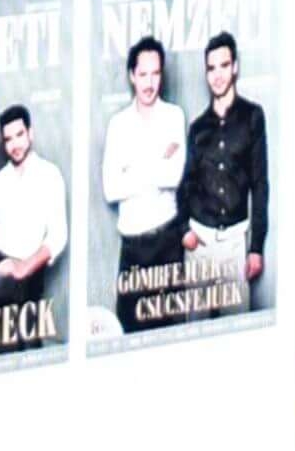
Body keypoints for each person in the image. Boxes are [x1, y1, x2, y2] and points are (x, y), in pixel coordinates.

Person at [99, 34, 189, 307]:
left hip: (167, 241)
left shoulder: (174, 116)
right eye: (143, 74)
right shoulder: (118, 125)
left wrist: (132, 166)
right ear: (131, 76)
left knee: (169, 328)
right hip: (133, 246)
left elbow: (173, 175)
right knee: (128, 327)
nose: (150, 83)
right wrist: (157, 158)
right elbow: (111, 189)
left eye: (155, 74)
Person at [178, 31, 269, 294]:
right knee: (194, 319)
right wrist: (184, 230)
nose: (217, 75)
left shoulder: (253, 116)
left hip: (234, 242)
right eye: (211, 68)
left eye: (224, 66)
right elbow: (186, 184)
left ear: (235, 68)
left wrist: (256, 248)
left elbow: (260, 184)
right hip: (199, 240)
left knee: (237, 316)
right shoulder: (197, 127)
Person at [0, 106, 66, 315]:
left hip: (25, 268)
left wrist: (23, 267)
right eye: (8, 139)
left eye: (19, 135)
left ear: (30, 134)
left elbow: (57, 237)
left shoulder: (50, 175)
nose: (15, 145)